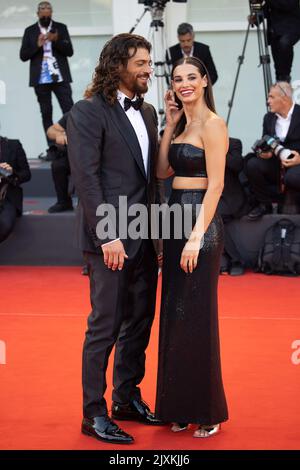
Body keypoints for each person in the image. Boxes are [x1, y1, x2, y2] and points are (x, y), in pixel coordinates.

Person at [67, 33, 163, 445]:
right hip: (111, 240)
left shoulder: (150, 113)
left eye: (149, 62)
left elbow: (149, 179)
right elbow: (87, 180)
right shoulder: (87, 112)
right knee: (104, 326)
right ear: (118, 65)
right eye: (140, 63)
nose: (148, 70)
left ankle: (127, 398)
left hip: (145, 235)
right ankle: (94, 413)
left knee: (140, 323)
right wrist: (108, 236)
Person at [155, 57, 228, 437]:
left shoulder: (214, 125)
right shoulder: (183, 125)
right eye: (177, 79)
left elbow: (215, 186)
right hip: (173, 219)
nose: (184, 84)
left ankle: (207, 410)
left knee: (197, 316)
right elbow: (162, 172)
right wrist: (168, 126)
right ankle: (179, 407)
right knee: (174, 315)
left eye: (190, 78)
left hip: (200, 222)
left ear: (204, 82)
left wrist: (196, 238)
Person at [20, 1, 74, 159]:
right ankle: (53, 148)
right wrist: (37, 45)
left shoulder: (61, 28)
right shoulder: (30, 31)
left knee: (70, 111)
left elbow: (69, 51)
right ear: (37, 13)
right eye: (42, 9)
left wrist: (56, 40)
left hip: (60, 77)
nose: (45, 12)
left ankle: (73, 143)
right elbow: (23, 56)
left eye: (48, 9)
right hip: (41, 79)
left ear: (52, 13)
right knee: (46, 113)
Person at [246, 82, 300, 220]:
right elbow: (265, 142)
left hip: (297, 164)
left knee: (292, 177)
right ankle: (265, 205)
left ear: (285, 98)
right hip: (276, 162)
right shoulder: (268, 118)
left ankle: (292, 203)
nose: (268, 101)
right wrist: (264, 153)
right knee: (252, 164)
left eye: (271, 97)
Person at [218, 137, 250, 276]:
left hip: (231, 197)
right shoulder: (198, 143)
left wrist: (217, 149)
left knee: (213, 217)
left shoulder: (233, 143)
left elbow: (237, 165)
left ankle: (236, 261)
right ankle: (223, 260)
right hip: (208, 194)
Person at [0, 135, 31, 243]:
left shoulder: (13, 145)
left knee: (5, 224)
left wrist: (12, 173)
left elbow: (26, 174)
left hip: (7, 196)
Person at [265, 0, 300, 82]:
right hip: (275, 31)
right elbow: (268, 8)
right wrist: (256, 18)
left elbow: (288, 5)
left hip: (291, 28)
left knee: (284, 43)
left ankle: (285, 79)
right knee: (278, 64)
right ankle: (280, 84)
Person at [46, 112, 73, 213]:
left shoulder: (103, 114)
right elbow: (50, 131)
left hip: (96, 154)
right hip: (74, 153)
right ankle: (63, 201)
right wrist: (59, 134)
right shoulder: (74, 113)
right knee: (58, 165)